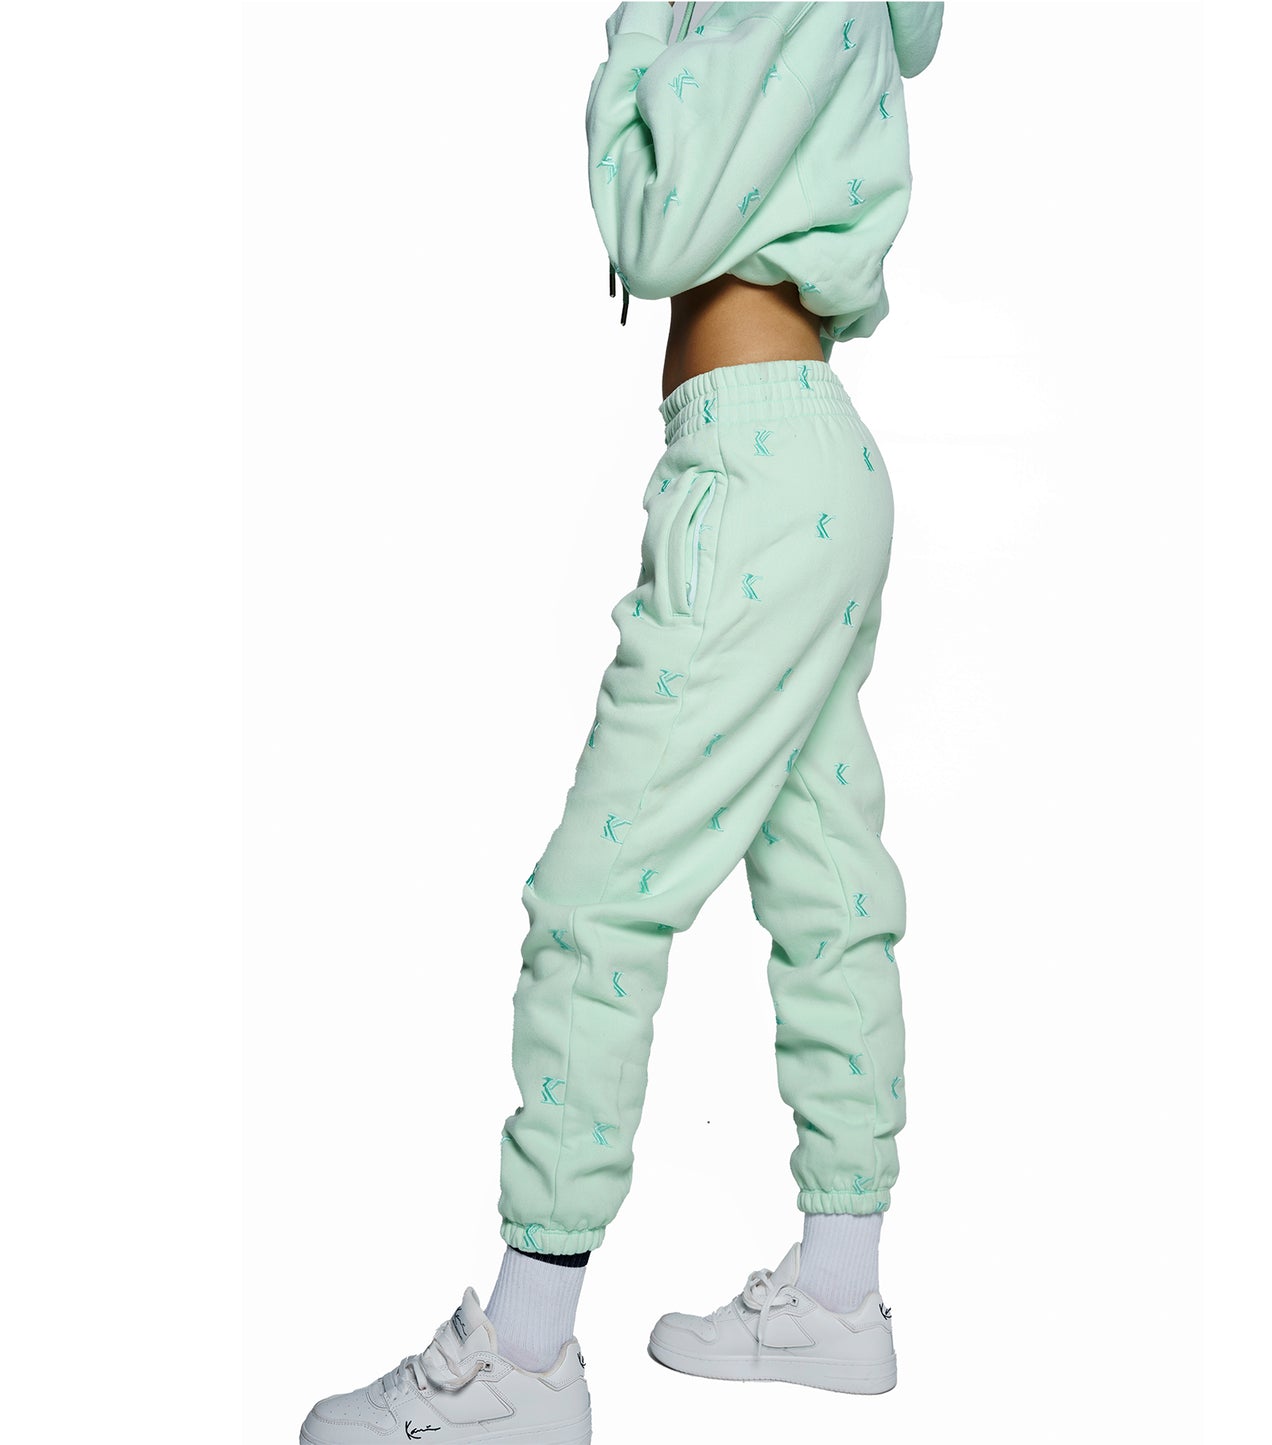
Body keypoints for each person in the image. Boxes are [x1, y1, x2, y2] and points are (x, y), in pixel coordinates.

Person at [299, 4, 944, 1441]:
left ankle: (525, 1360)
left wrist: (642, 27)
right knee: (827, 887)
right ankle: (840, 1295)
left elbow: (653, 230)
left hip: (757, 470)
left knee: (595, 903)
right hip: (792, 461)